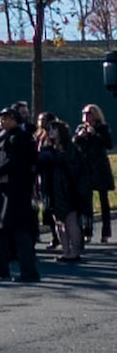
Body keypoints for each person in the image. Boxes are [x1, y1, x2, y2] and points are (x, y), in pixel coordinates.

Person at [0, 105, 41, 283]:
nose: (2, 121)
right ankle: (0, 269)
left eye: (7, 117)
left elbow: (14, 162)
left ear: (15, 120)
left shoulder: (21, 138)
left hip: (16, 191)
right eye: (0, 117)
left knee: (20, 232)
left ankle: (28, 272)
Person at [37, 115, 84, 263]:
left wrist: (54, 158)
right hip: (51, 189)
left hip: (67, 189)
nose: (50, 132)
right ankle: (65, 250)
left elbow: (73, 167)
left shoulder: (70, 148)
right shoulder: (47, 148)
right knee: (58, 222)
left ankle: (75, 252)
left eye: (54, 129)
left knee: (71, 221)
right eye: (49, 129)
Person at [76, 103, 113, 244]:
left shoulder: (102, 128)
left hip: (100, 168)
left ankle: (106, 232)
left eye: (89, 113)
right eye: (85, 113)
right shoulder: (80, 129)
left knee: (104, 201)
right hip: (86, 168)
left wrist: (95, 134)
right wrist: (80, 137)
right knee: (86, 202)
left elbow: (108, 144)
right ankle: (88, 231)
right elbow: (75, 145)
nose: (86, 116)